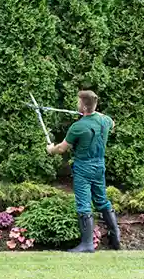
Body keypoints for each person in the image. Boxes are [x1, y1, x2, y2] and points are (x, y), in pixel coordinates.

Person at [46, 90, 120, 253]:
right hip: (99, 166)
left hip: (84, 167)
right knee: (102, 200)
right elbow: (112, 123)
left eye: (78, 102)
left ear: (83, 106)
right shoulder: (105, 121)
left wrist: (51, 150)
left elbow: (62, 148)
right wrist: (93, 112)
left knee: (84, 203)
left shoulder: (78, 127)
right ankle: (115, 238)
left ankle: (87, 244)